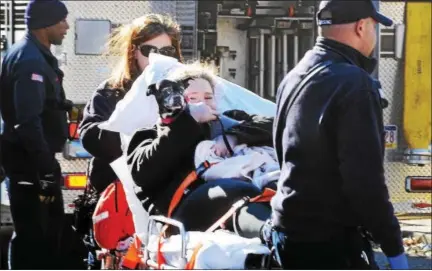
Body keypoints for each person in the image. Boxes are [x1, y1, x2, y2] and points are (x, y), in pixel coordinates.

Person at [269, 0, 408, 269]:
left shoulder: (295, 76)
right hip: (330, 244)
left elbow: (281, 150)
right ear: (361, 27)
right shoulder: (355, 84)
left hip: (288, 232)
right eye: (374, 28)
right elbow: (365, 182)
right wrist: (394, 250)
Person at [78, 13, 183, 269]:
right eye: (150, 50)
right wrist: (133, 133)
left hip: (168, 200)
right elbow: (90, 134)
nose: (158, 57)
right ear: (134, 52)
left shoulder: (185, 88)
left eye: (167, 50)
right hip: (119, 203)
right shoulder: (112, 91)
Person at [127, 62, 275, 237]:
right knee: (234, 191)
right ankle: (272, 235)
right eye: (192, 98)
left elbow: (275, 125)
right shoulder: (149, 135)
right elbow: (143, 173)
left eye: (208, 97)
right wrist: (188, 121)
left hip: (253, 189)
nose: (202, 104)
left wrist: (233, 137)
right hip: (190, 209)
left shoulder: (230, 121)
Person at [0, 0, 71, 269]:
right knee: (33, 237)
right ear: (45, 23)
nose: (66, 26)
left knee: (48, 234)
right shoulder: (29, 60)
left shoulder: (35, 54)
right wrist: (45, 166)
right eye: (62, 20)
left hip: (33, 161)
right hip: (28, 163)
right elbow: (27, 121)